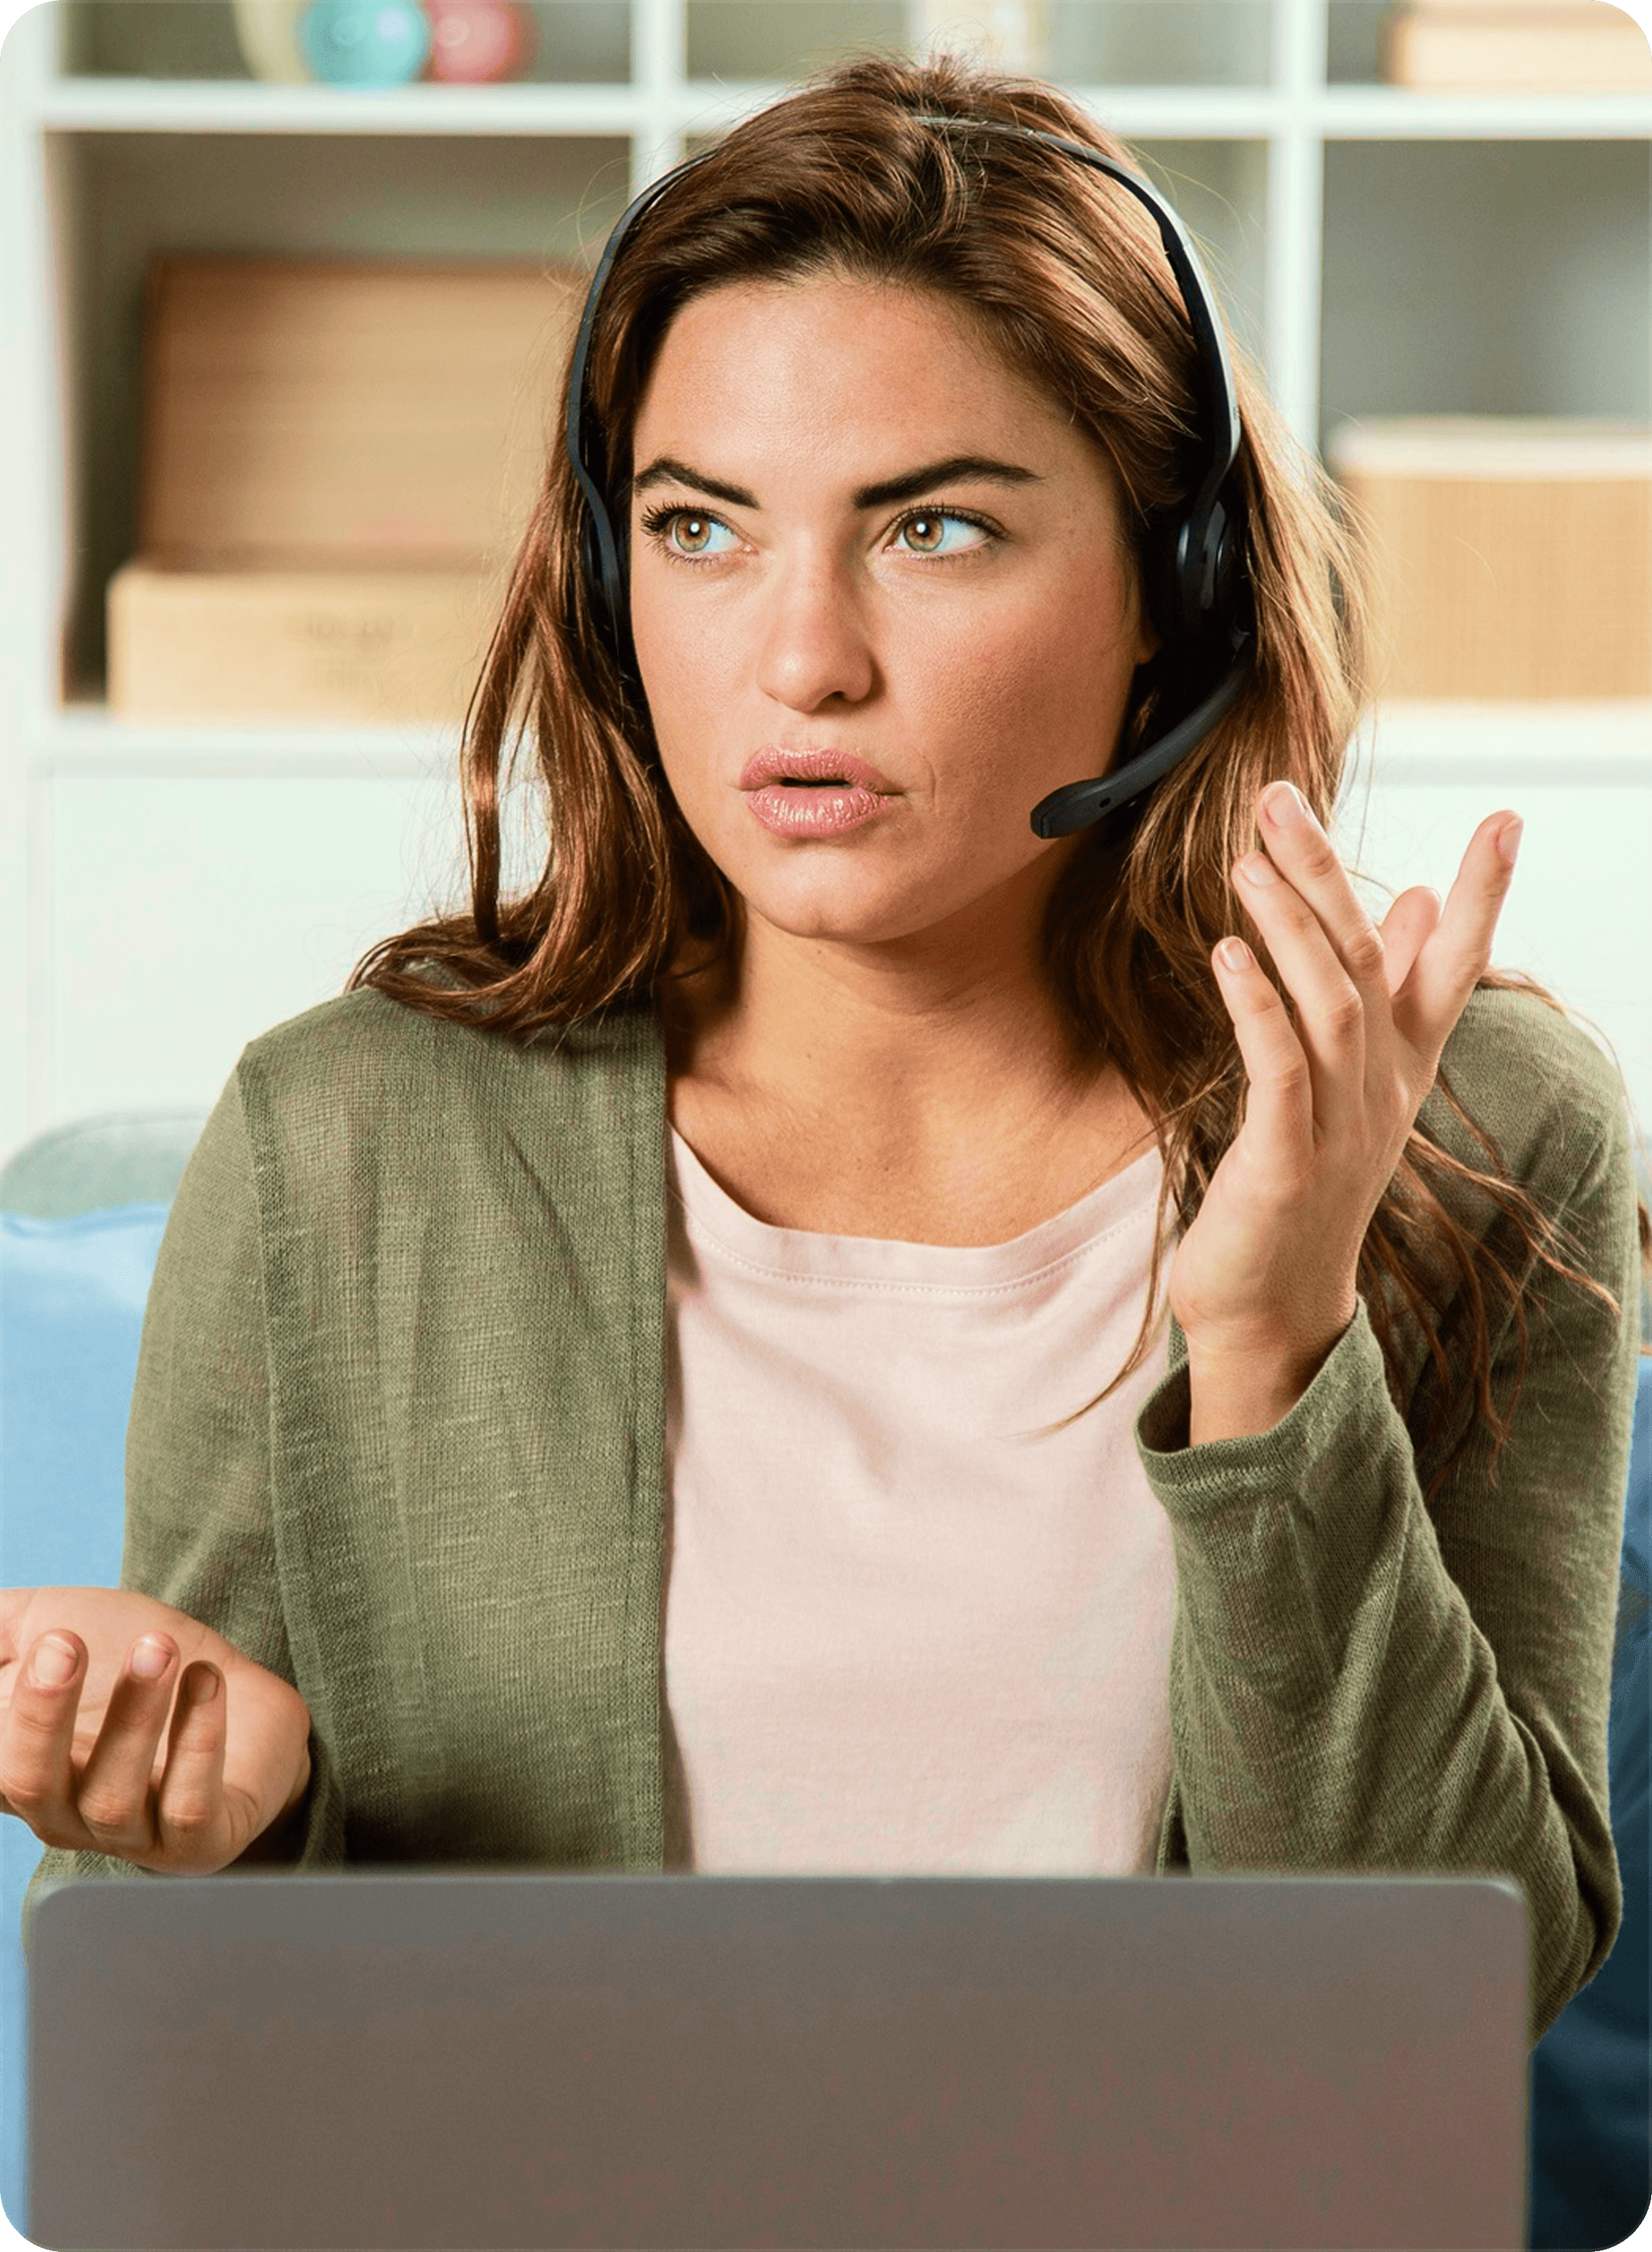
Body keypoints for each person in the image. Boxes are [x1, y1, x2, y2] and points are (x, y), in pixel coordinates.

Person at [6, 50, 1647, 2051]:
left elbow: (1453, 1998)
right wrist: (223, 1836)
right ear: (615, 586)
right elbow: (162, 2044)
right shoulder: (339, 1144)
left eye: (932, 531)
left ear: (1174, 590)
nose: (800, 659)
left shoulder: (1466, 1128)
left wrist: (1281, 1349)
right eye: (701, 530)